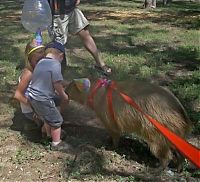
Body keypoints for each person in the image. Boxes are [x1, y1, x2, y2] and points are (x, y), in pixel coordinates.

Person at [28, 41, 73, 152]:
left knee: (51, 112)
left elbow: (45, 78)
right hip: (42, 99)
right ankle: (56, 143)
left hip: (33, 97)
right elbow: (56, 83)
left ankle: (47, 133)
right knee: (57, 121)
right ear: (61, 56)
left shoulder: (41, 62)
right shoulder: (55, 64)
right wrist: (64, 95)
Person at [47, 0, 112, 75]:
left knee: (85, 34)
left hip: (72, 8)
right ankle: (58, 75)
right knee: (58, 45)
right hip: (57, 13)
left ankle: (101, 65)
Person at [14, 39, 45, 130]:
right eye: (39, 52)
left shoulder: (40, 68)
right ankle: (45, 130)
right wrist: (34, 108)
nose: (42, 55)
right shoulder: (28, 74)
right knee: (54, 121)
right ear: (30, 56)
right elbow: (17, 95)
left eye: (43, 51)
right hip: (31, 110)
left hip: (41, 103)